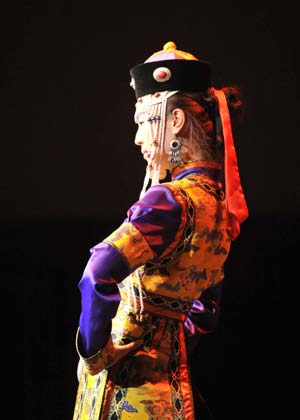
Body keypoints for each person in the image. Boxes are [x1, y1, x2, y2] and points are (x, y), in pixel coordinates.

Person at [73, 41, 248, 420]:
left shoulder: (167, 201)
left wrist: (95, 351)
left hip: (127, 391)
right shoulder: (220, 204)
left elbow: (98, 269)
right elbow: (206, 308)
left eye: (141, 123)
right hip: (173, 393)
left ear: (176, 122)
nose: (137, 138)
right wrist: (165, 341)